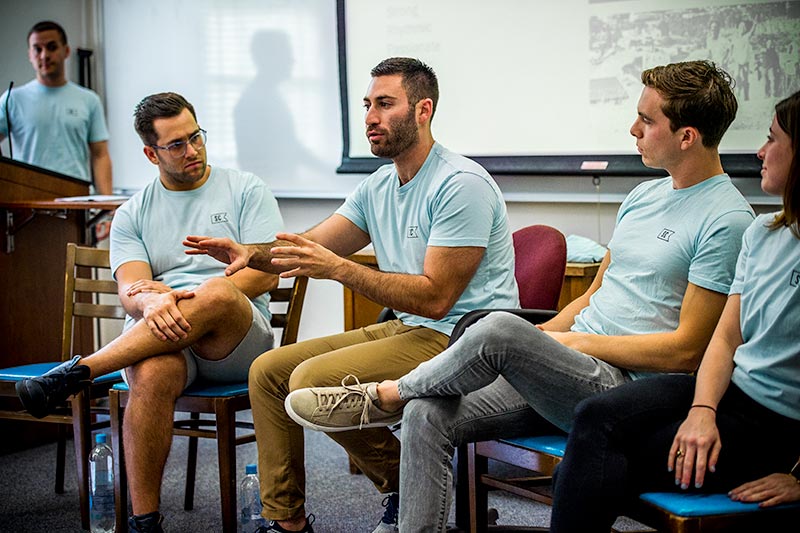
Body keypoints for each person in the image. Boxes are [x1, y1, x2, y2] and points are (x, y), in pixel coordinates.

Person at [283, 60, 756, 533]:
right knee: (427, 413)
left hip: (627, 389)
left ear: (687, 136)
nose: (634, 129)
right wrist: (543, 340)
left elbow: (687, 348)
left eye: (647, 121)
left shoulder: (726, 220)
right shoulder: (642, 197)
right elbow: (592, 297)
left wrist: (570, 345)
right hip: (566, 372)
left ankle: (388, 395)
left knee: (495, 327)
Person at [183, 57, 519, 533]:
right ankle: (287, 521)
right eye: (367, 105)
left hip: (464, 336)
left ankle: (412, 484)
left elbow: (436, 299)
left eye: (385, 104)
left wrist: (340, 270)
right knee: (268, 372)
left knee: (310, 383)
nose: (370, 118)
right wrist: (250, 253)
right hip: (413, 326)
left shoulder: (460, 185)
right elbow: (309, 246)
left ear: (423, 111)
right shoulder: (379, 185)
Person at [15, 92, 283, 533]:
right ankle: (144, 522)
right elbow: (132, 290)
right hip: (164, 334)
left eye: (195, 137)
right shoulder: (133, 213)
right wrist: (154, 300)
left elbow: (263, 276)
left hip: (233, 341)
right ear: (150, 153)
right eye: (176, 145)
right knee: (152, 374)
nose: (192, 150)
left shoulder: (245, 189)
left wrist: (175, 296)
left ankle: (80, 372)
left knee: (217, 292)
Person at [547, 90, 800, 532]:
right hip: (728, 394)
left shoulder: (730, 219)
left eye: (773, 139)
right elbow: (725, 339)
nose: (760, 151)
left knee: (607, 463)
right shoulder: (764, 232)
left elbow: (690, 348)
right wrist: (703, 409)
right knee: (594, 416)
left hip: (781, 426)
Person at [0, 20, 113, 194]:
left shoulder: (89, 99)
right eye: (37, 49)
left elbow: (100, 155)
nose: (44, 55)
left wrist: (107, 207)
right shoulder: (12, 99)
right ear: (30, 54)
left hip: (75, 200)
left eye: (52, 47)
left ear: (66, 51)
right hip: (27, 201)